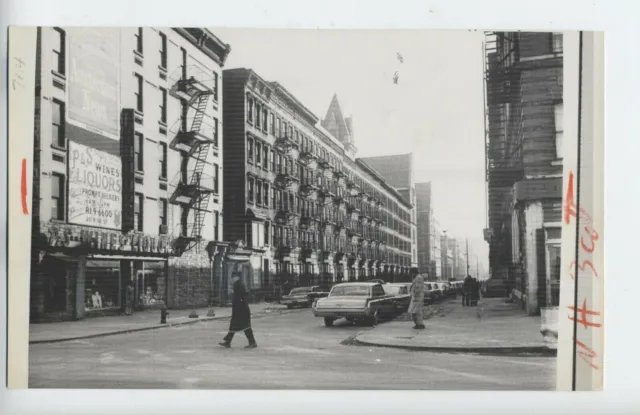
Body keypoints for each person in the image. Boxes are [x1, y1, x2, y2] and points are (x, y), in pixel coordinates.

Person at [219, 273, 258, 349]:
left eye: (233, 278)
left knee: (245, 326)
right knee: (234, 325)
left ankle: (252, 342)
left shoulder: (238, 285)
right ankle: (227, 342)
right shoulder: (239, 284)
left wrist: (238, 305)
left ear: (236, 277)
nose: (232, 279)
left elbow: (239, 297)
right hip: (240, 309)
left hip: (241, 310)